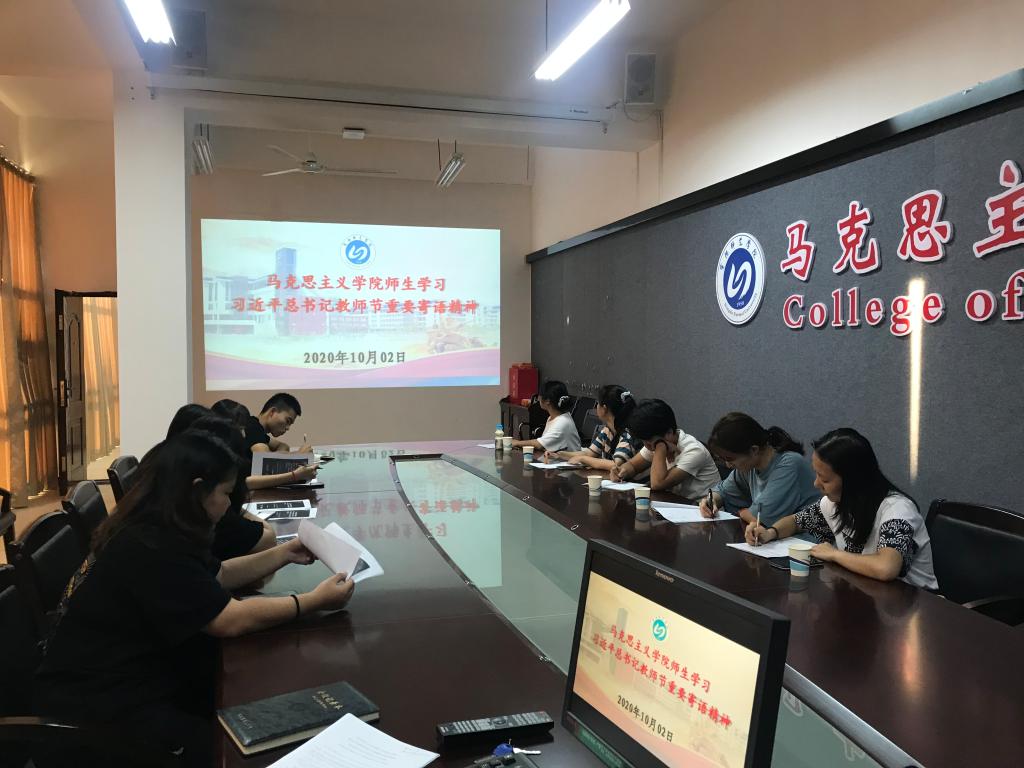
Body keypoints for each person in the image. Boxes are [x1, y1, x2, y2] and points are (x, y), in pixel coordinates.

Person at [34, 430, 355, 767]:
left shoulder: (157, 524)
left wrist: (284, 553)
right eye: (225, 493)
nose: (230, 505)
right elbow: (229, 620)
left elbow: (218, 575)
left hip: (131, 682)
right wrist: (312, 601)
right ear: (198, 489)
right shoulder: (150, 546)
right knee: (236, 749)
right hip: (98, 716)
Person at [744, 428, 938, 589]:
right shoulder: (834, 504)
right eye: (816, 474)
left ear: (853, 480)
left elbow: (886, 568)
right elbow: (796, 522)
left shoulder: (897, 511)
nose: (816, 484)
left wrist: (835, 554)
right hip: (869, 600)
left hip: (917, 607)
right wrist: (770, 533)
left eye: (825, 479)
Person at [699, 412, 819, 526]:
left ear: (754, 450)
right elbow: (723, 491)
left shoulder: (789, 464)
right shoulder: (750, 465)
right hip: (775, 536)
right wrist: (711, 500)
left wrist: (743, 513)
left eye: (730, 459)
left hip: (807, 538)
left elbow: (759, 518)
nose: (728, 465)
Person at [611, 399, 719, 500]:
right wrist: (622, 471)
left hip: (702, 509)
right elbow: (633, 466)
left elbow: (657, 484)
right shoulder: (654, 442)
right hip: (675, 505)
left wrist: (660, 447)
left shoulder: (694, 450)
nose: (647, 446)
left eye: (649, 441)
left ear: (669, 432)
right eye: (643, 441)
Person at [553, 385, 640, 470]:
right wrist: (559, 454)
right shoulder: (607, 430)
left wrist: (582, 459)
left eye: (598, 403)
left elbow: (616, 465)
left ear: (604, 408)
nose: (596, 407)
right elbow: (589, 453)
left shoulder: (627, 433)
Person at [510, 380, 581, 453]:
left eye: (539, 396)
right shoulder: (554, 417)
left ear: (547, 401)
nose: (538, 398)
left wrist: (517, 443)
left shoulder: (562, 422)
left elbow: (539, 444)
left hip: (568, 460)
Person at [245, 392, 310, 453]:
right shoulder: (251, 426)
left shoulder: (260, 432)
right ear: (272, 412)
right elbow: (264, 459)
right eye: (287, 421)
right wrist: (299, 455)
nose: (288, 428)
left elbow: (283, 446)